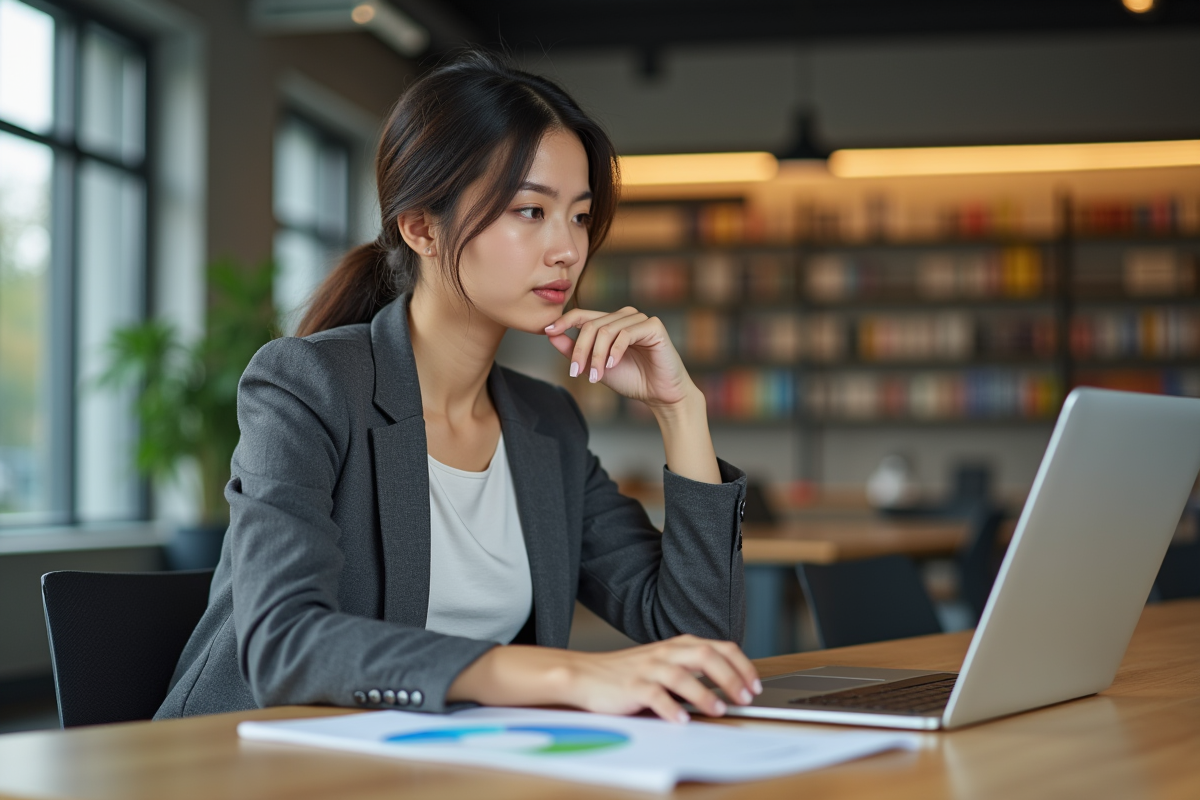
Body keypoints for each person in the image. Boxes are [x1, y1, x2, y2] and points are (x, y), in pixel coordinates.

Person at [156, 50, 760, 724]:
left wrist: (680, 411)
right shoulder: (308, 385)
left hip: (434, 761)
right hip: (246, 757)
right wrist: (561, 673)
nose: (567, 248)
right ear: (421, 227)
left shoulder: (547, 422)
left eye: (579, 216)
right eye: (530, 210)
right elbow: (283, 644)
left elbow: (699, 639)